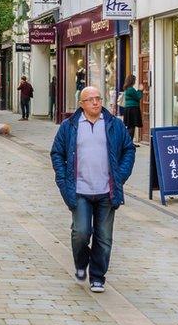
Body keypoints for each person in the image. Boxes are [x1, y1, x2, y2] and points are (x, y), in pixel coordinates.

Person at [50, 86, 136, 294]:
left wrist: (120, 176)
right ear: (81, 104)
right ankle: (81, 264)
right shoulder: (69, 126)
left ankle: (97, 276)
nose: (96, 102)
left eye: (98, 98)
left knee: (104, 237)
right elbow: (57, 154)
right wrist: (63, 181)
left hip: (107, 191)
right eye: (90, 99)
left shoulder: (114, 125)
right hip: (79, 190)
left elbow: (129, 150)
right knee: (81, 233)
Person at [120, 75, 144, 141]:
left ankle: (129, 142)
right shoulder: (131, 89)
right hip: (132, 109)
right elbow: (138, 97)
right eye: (134, 80)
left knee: (130, 126)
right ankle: (129, 142)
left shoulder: (127, 88)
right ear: (132, 81)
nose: (135, 81)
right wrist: (140, 90)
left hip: (129, 109)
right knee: (131, 127)